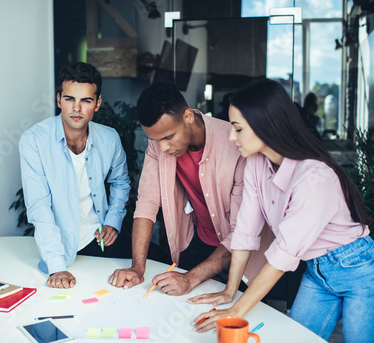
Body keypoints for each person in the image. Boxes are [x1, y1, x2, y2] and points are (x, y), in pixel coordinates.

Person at [189, 78, 374, 342]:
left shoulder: (314, 177)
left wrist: (236, 311)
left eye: (238, 129)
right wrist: (231, 291)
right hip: (317, 272)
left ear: (266, 125)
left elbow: (281, 256)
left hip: (362, 273)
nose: (232, 137)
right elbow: (245, 232)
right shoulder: (255, 164)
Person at [109, 82, 273, 296]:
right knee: (189, 311)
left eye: (168, 137)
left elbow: (242, 231)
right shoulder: (159, 144)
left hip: (247, 253)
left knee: (241, 318)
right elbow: (147, 202)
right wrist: (137, 268)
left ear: (188, 116)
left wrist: (190, 278)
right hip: (202, 241)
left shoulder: (236, 145)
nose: (164, 148)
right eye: (155, 140)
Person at [19, 62, 132, 289]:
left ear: (97, 104)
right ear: (59, 100)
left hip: (98, 238)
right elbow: (39, 205)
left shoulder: (110, 139)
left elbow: (121, 181)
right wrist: (57, 265)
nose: (77, 108)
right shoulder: (34, 141)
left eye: (86, 101)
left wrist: (113, 220)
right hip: (59, 246)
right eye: (70, 99)